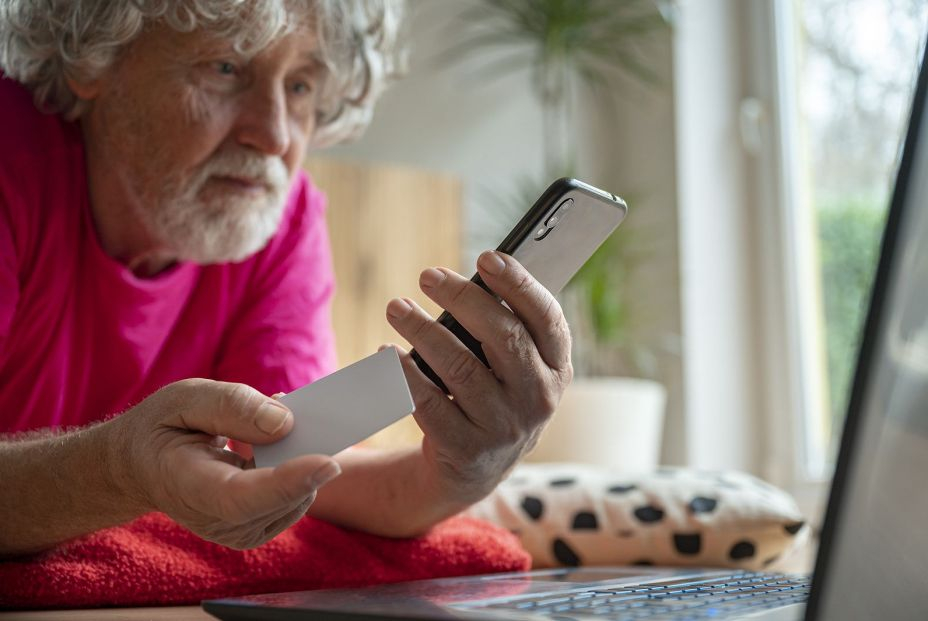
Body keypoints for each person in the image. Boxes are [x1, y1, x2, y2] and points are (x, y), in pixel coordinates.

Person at [0, 0, 573, 557]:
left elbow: (301, 468)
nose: (274, 136)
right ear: (91, 59)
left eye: (300, 86)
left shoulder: (271, 212)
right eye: (225, 68)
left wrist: (460, 473)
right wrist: (123, 470)